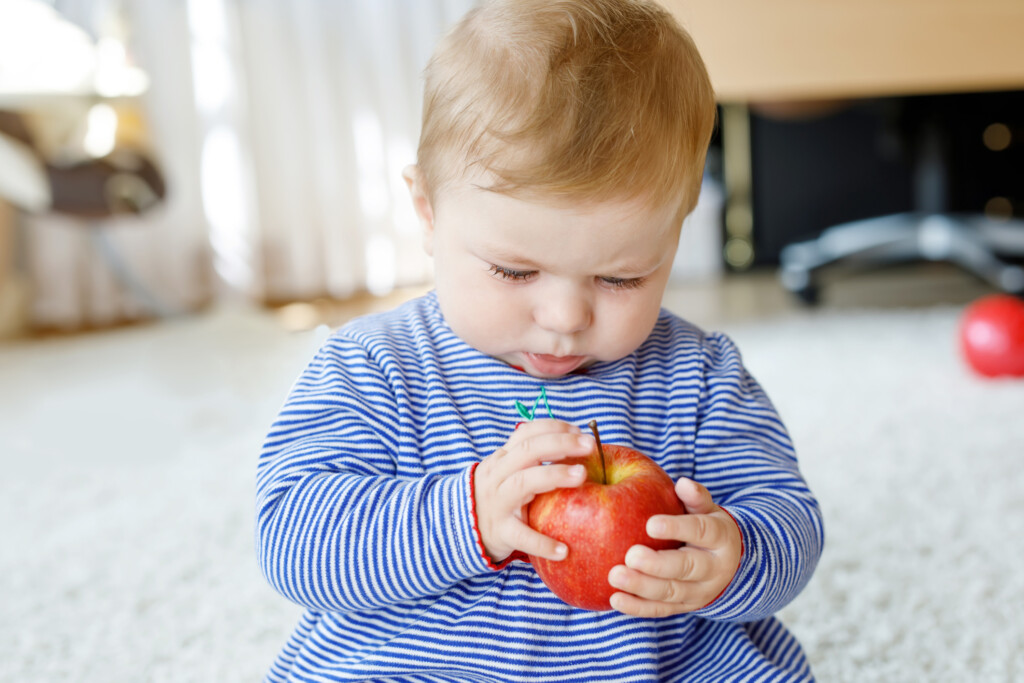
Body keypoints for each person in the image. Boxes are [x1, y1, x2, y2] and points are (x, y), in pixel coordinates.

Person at [256, 0, 824, 680]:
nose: (563, 316)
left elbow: (788, 516)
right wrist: (465, 514)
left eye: (621, 277)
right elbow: (294, 537)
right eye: (514, 270)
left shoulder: (698, 375)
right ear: (428, 213)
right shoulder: (373, 367)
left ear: (677, 229)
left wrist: (733, 557)